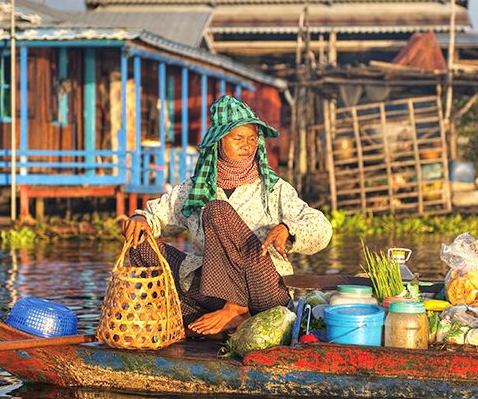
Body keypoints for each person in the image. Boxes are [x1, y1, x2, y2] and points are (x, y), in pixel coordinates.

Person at [122, 95, 332, 337]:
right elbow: (156, 216)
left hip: (264, 289)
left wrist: (288, 229)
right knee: (140, 245)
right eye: (238, 138)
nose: (248, 145)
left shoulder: (274, 189)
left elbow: (322, 227)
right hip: (214, 292)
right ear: (219, 142)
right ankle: (218, 319)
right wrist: (140, 220)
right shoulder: (194, 188)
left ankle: (237, 311)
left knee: (217, 210)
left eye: (253, 139)